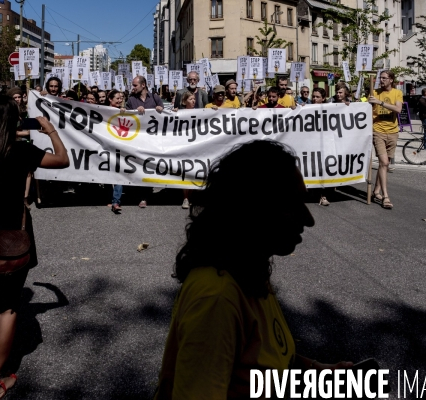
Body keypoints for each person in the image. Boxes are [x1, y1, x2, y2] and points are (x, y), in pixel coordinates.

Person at [154, 140, 352, 399]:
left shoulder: (247, 267)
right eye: (294, 204)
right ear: (255, 208)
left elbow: (266, 361)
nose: (309, 219)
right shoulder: (217, 298)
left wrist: (319, 371)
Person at [0, 95, 69, 399]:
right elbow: (62, 160)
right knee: (7, 305)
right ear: (14, 121)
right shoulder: (22, 151)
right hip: (15, 236)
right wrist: (49, 130)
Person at [125, 76, 164, 208]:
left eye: (135, 85)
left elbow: (165, 115)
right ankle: (141, 194)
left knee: (149, 165)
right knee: (139, 166)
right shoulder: (131, 100)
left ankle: (146, 193)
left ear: (143, 85)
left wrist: (159, 110)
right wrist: (135, 112)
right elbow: (126, 117)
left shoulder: (155, 98)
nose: (133, 88)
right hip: (137, 139)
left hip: (152, 139)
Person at [368, 70, 403, 210]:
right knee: (383, 162)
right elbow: (364, 107)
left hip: (393, 132)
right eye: (380, 78)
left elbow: (398, 109)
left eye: (384, 78)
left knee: (385, 165)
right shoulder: (374, 92)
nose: (381, 80)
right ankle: (385, 196)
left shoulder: (397, 93)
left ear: (391, 80)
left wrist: (380, 102)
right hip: (378, 131)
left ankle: (376, 191)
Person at [176, 91, 197, 209]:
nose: (193, 101)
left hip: (196, 145)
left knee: (194, 171)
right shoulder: (179, 113)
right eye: (190, 99)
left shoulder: (201, 112)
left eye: (194, 99)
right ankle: (185, 198)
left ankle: (192, 196)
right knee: (185, 171)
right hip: (184, 145)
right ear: (184, 102)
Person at [108, 89, 126, 213]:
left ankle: (116, 201)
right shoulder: (102, 111)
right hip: (105, 147)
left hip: (120, 147)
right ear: (110, 100)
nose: (120, 101)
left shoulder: (125, 111)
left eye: (121, 98)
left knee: (118, 174)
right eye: (117, 98)